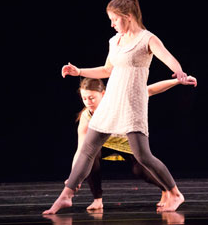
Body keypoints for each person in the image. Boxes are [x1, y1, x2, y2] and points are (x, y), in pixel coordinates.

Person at [43, 0, 189, 214]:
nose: (111, 24)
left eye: (114, 19)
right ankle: (67, 195)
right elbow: (107, 70)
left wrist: (179, 74)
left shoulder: (147, 39)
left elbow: (168, 58)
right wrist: (78, 71)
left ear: (128, 16)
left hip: (132, 103)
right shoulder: (115, 41)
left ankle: (175, 192)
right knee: (88, 148)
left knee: (143, 156)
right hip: (111, 101)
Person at [70, 77, 197, 210]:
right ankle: (97, 200)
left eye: (92, 98)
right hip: (106, 145)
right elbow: (81, 150)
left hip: (127, 144)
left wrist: (177, 81)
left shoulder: (118, 102)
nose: (88, 102)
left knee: (140, 171)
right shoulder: (86, 117)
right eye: (84, 98)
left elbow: (150, 90)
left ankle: (166, 189)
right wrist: (74, 176)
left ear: (103, 94)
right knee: (91, 157)